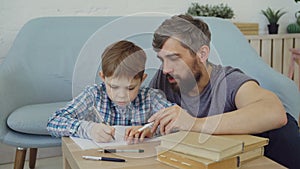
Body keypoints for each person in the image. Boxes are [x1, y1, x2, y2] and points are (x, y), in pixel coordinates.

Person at [148, 14, 300, 169]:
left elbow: (274, 112)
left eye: (174, 58)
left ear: (202, 54)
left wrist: (194, 124)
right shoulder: (166, 77)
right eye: (162, 59)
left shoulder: (228, 80)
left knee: (284, 131)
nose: (165, 69)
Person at [47, 40, 175, 144]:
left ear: (142, 80)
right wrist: (89, 129)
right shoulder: (94, 95)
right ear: (103, 77)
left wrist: (151, 129)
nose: (121, 95)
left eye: (130, 88)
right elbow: (54, 121)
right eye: (113, 87)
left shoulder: (150, 97)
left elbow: (176, 120)